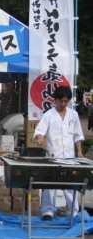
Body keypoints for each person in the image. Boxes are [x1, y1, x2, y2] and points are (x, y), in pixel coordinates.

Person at [34, 86, 84, 221]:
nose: (63, 104)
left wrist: (79, 151)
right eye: (61, 101)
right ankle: (47, 211)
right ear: (55, 100)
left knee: (70, 184)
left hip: (69, 155)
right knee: (49, 184)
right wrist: (39, 138)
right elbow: (39, 131)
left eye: (66, 101)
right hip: (53, 154)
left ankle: (73, 211)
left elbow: (78, 135)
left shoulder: (73, 115)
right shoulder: (49, 115)